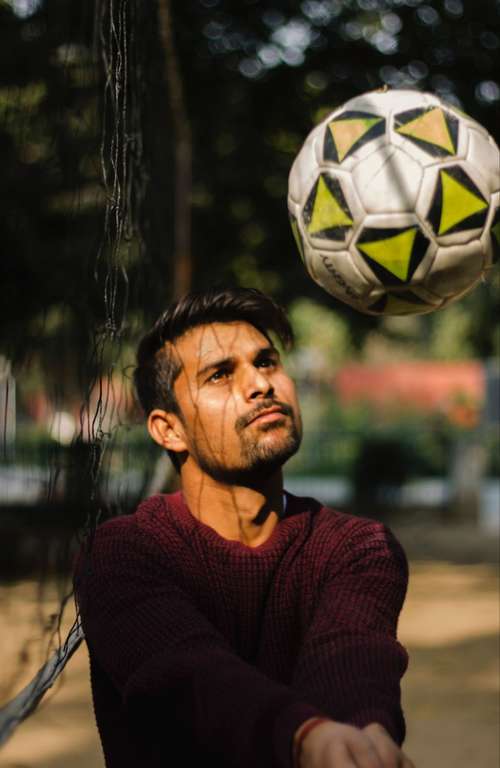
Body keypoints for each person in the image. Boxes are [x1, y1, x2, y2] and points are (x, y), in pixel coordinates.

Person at [74, 286, 414, 768]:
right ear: (168, 429)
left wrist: (358, 738)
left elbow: (352, 661)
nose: (260, 384)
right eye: (219, 375)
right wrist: (307, 737)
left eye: (267, 362)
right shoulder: (120, 553)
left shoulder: (359, 547)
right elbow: (186, 677)